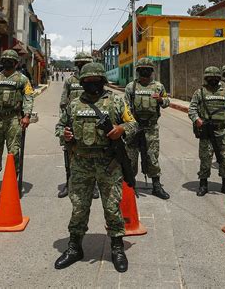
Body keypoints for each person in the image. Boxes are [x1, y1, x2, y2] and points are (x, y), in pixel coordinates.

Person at [54, 62, 137, 273]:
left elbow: (134, 124)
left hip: (108, 164)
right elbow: (59, 126)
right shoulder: (74, 104)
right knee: (79, 206)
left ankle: (117, 248)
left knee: (111, 207)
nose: (93, 85)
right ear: (82, 83)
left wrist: (121, 129)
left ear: (103, 81)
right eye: (88, 82)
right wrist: (65, 134)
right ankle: (75, 247)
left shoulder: (116, 101)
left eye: (96, 81)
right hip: (81, 163)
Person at [0, 49, 34, 198]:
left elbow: (28, 96)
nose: (8, 62)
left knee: (14, 152)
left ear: (16, 63)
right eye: (5, 60)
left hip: (14, 119)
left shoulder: (22, 79)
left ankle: (12, 184)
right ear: (1, 62)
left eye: (11, 60)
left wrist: (26, 115)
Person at [188, 66, 225, 197]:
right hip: (207, 132)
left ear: (219, 78)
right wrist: (197, 119)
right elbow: (192, 109)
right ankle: (203, 184)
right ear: (206, 78)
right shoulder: (199, 92)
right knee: (205, 159)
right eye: (210, 78)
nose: (213, 80)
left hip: (223, 131)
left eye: (215, 78)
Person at [125, 58, 170, 199]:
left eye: (147, 69)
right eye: (142, 69)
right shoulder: (131, 87)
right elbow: (125, 108)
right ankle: (129, 186)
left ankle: (156, 186)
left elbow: (167, 102)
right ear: (138, 71)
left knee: (152, 157)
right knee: (131, 159)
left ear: (151, 71)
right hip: (134, 128)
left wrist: (161, 100)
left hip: (151, 128)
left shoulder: (158, 86)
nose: (145, 72)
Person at [58, 52, 97, 199]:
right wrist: (63, 127)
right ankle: (69, 183)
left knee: (92, 154)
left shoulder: (95, 79)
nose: (81, 66)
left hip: (91, 123)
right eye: (79, 63)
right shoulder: (70, 81)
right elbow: (63, 104)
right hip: (73, 123)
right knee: (69, 155)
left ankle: (93, 185)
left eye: (84, 63)